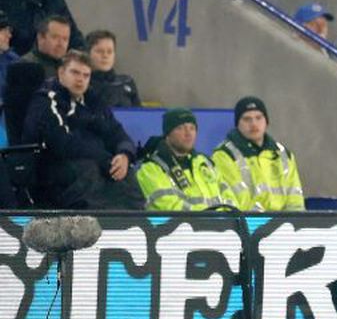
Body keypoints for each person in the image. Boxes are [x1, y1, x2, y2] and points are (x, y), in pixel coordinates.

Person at [22, 50, 142, 209]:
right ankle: (96, 223)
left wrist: (124, 155)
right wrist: (105, 159)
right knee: (90, 170)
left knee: (124, 172)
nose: (80, 79)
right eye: (75, 73)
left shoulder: (93, 101)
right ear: (61, 73)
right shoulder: (46, 100)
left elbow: (117, 133)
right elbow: (63, 143)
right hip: (51, 167)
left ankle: (136, 223)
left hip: (93, 162)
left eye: (86, 75)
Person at [212, 97, 305, 211]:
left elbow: (295, 198)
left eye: (258, 118)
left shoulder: (284, 154)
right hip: (248, 224)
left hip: (285, 225)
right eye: (247, 119)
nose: (254, 124)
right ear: (237, 124)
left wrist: (293, 223)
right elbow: (239, 200)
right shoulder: (224, 155)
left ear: (266, 121)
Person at [136, 108, 230, 211]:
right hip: (178, 226)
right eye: (180, 128)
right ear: (167, 134)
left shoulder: (205, 162)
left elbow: (229, 198)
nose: (188, 133)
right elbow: (169, 207)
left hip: (220, 225)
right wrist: (209, 216)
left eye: (192, 128)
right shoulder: (151, 168)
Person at [85, 30, 140, 108]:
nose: (105, 56)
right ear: (88, 53)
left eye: (109, 52)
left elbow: (140, 116)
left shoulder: (127, 82)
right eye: (100, 51)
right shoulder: (82, 84)